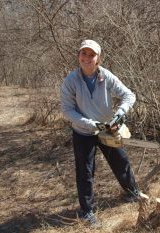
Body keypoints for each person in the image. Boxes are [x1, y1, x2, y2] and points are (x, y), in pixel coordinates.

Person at [60, 39, 140, 227]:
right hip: (82, 132)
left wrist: (120, 113)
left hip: (107, 129)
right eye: (84, 53)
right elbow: (67, 110)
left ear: (98, 59)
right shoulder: (71, 81)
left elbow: (129, 95)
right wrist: (89, 124)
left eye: (91, 54)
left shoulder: (106, 76)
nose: (87, 58)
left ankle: (132, 192)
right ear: (79, 56)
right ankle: (87, 211)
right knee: (85, 171)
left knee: (121, 161)